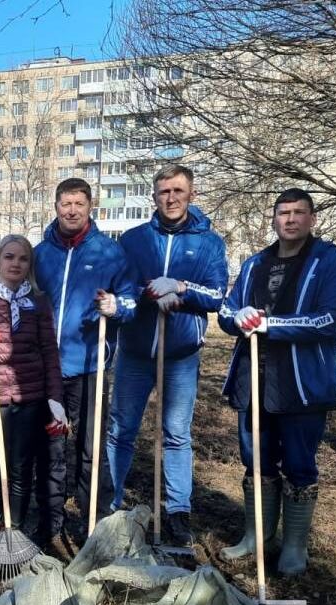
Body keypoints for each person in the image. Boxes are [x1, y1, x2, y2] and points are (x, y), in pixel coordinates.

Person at [218, 188, 336, 575]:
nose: (290, 219)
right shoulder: (254, 264)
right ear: (274, 219)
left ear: (312, 218)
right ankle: (255, 537)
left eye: (298, 213)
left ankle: (294, 546)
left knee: (299, 463)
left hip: (302, 382)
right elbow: (227, 313)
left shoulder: (330, 262)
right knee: (256, 460)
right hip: (254, 378)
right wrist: (239, 315)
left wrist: (270, 324)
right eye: (283, 213)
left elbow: (330, 319)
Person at [107, 165, 229, 545]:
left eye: (178, 191)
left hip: (180, 355)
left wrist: (181, 287)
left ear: (191, 194)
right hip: (135, 351)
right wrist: (148, 292)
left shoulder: (209, 243)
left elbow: (217, 296)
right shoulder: (134, 240)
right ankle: (108, 503)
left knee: (176, 433)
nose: (171, 198)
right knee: (121, 430)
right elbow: (122, 286)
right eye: (163, 192)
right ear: (154, 196)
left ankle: (178, 511)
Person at [33, 177, 137, 542]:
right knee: (51, 445)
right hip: (49, 368)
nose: (71, 210)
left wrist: (117, 305)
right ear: (56, 207)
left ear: (90, 206)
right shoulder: (41, 253)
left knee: (90, 446)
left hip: (90, 364)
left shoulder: (109, 252)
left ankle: (96, 519)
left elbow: (132, 299)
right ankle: (50, 519)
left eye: (78, 203)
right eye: (65, 203)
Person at [0, 235, 65, 541]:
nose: (15, 264)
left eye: (22, 259)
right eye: (9, 257)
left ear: (29, 265)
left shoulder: (38, 301)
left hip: (27, 398)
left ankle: (13, 529)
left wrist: (54, 397)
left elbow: (49, 351)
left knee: (20, 470)